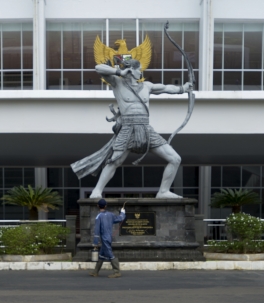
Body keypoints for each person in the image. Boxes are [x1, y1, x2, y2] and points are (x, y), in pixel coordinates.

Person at [71, 59, 193, 199]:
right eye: (139, 69)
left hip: (146, 129)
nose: (141, 72)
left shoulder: (147, 86)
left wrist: (183, 88)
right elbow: (98, 68)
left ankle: (163, 191)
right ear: (130, 70)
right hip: (127, 128)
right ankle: (97, 191)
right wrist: (119, 71)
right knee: (115, 161)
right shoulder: (117, 83)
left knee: (175, 159)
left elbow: (166, 88)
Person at [90, 198, 126, 278]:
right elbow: (120, 218)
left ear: (97, 206)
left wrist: (95, 242)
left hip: (104, 238)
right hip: (109, 237)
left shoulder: (98, 216)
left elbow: (96, 230)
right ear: (105, 206)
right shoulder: (111, 214)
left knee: (110, 255)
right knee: (102, 255)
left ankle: (117, 271)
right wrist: (123, 212)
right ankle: (95, 271)